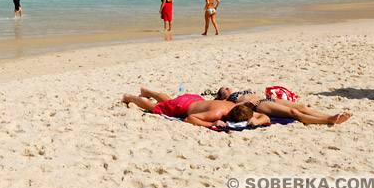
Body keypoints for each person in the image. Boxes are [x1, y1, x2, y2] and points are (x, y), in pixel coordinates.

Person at [121, 87, 269, 127]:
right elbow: (190, 119)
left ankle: (147, 91)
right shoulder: (216, 113)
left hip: (195, 99)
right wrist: (212, 123)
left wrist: (258, 120)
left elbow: (265, 117)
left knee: (169, 101)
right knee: (155, 108)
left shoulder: (235, 107)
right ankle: (129, 97)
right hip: (184, 106)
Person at [215, 87, 351, 125]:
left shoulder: (240, 91)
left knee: (301, 107)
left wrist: (270, 97)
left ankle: (329, 116)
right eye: (224, 89)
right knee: (293, 112)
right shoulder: (229, 100)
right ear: (222, 96)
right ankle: (328, 120)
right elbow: (234, 109)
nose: (227, 88)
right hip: (259, 105)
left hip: (266, 99)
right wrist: (245, 103)